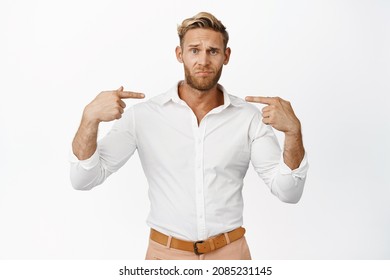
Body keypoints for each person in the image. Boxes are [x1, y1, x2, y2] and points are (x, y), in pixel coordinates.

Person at [70, 12, 308, 260]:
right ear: (179, 54)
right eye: (194, 50)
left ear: (226, 56)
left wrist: (293, 132)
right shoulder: (143, 116)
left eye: (213, 51)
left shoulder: (248, 118)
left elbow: (288, 193)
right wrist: (89, 119)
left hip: (230, 255)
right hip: (165, 256)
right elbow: (83, 179)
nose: (203, 60)